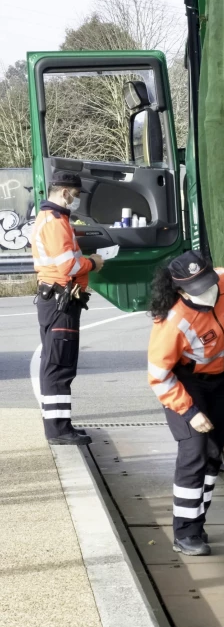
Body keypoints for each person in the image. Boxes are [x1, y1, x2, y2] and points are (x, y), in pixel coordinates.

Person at [147, 251, 224, 556]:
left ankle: (197, 522)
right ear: (180, 290)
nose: (208, 291)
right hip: (187, 386)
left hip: (223, 381)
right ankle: (185, 533)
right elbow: (158, 375)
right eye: (198, 288)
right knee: (194, 453)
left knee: (215, 453)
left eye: (208, 282)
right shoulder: (173, 322)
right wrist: (189, 412)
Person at [31, 171, 105, 446]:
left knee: (55, 363)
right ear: (64, 193)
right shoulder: (56, 223)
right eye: (75, 195)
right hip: (61, 300)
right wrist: (94, 263)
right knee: (59, 365)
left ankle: (59, 425)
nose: (76, 200)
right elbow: (69, 267)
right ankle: (59, 430)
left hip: (56, 298)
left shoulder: (52, 219)